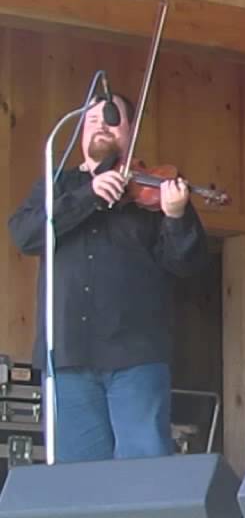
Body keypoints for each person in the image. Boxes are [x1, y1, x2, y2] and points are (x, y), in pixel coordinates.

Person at [7, 94, 208, 462]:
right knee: (80, 482)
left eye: (113, 118)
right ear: (82, 130)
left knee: (143, 474)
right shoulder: (57, 186)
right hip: (68, 356)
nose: (101, 124)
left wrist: (177, 215)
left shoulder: (153, 190)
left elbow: (186, 264)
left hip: (137, 356)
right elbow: (25, 235)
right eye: (93, 118)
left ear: (130, 133)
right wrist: (87, 196)